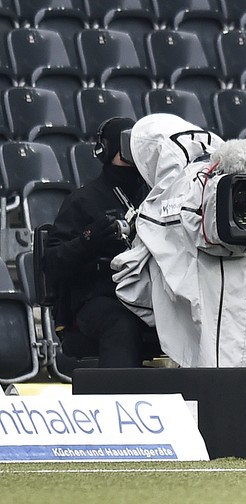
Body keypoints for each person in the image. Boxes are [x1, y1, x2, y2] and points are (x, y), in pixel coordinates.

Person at [111, 113, 246, 368]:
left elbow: (137, 263)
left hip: (233, 286)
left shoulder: (182, 188)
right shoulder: (188, 181)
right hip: (218, 288)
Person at [44, 116, 156, 368]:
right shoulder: (83, 200)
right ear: (106, 151)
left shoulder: (155, 196)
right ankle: (122, 402)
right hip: (98, 298)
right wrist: (88, 240)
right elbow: (51, 262)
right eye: (125, 148)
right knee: (120, 323)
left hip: (150, 295)